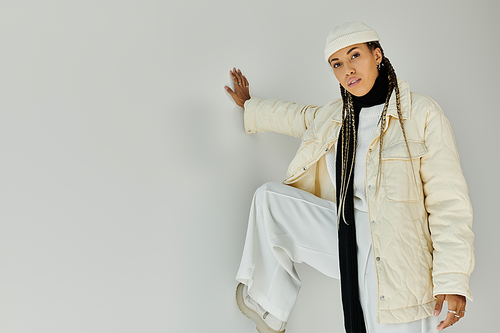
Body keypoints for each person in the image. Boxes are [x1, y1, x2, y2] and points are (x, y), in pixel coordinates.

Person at [224, 22, 474, 333]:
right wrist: (250, 106)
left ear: (377, 54)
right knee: (270, 200)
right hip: (347, 237)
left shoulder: (422, 114)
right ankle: (272, 310)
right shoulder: (336, 116)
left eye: (355, 56)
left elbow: (448, 201)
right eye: (337, 64)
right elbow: (295, 116)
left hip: (400, 260)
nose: (348, 70)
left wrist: (453, 278)